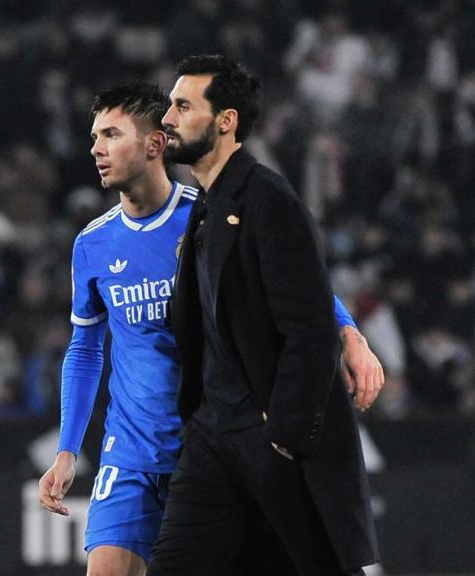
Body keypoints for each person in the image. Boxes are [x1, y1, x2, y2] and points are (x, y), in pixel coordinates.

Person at [38, 81, 382, 576]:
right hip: (130, 453)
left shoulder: (206, 217)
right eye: (95, 136)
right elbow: (85, 349)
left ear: (155, 144)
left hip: (206, 446)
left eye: (111, 134)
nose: (95, 148)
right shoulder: (92, 244)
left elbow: (292, 278)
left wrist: (349, 333)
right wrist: (68, 450)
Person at [145, 54, 379, 575]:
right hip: (213, 435)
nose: (168, 119)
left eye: (183, 106)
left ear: (225, 121)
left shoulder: (268, 200)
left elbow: (311, 328)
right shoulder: (206, 207)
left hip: (267, 434)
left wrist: (285, 434)